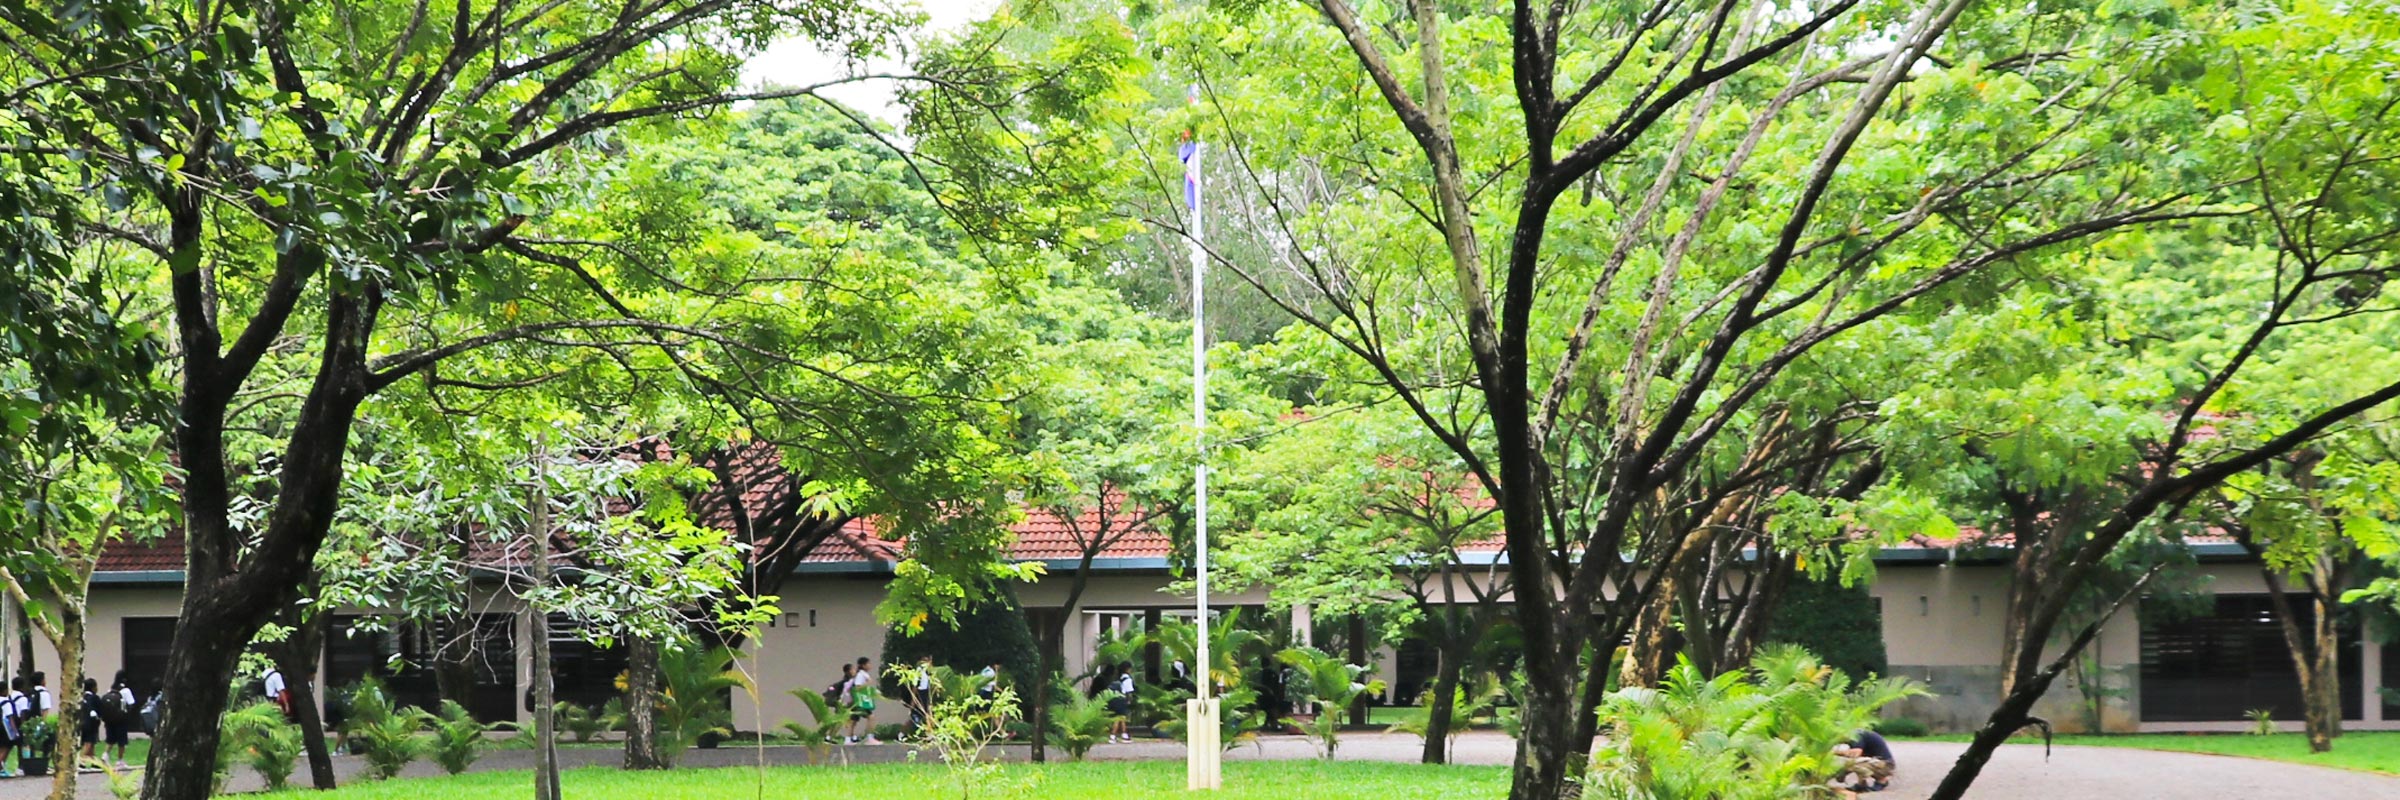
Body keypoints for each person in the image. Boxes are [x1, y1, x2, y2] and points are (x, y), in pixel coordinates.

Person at [1832, 728, 1896, 794]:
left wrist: (1832, 753)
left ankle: (1882, 780)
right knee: (1857, 762)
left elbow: (1856, 753)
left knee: (1854, 764)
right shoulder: (1855, 735)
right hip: (1879, 762)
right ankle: (1861, 784)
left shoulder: (1856, 736)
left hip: (1885, 765)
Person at [103, 673, 135, 769]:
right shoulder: (126, 690)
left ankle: (105, 755)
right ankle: (120, 760)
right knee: (122, 741)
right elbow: (131, 703)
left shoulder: (111, 690)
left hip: (109, 719)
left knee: (111, 739)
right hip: (121, 719)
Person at [845, 657, 879, 745]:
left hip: (858, 701)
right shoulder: (861, 675)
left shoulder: (861, 674)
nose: (870, 665)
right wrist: (867, 683)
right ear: (863, 665)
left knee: (853, 720)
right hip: (860, 702)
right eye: (868, 664)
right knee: (871, 717)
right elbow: (857, 687)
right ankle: (870, 738)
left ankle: (848, 740)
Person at [1, 676, 25, 778]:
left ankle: (2, 768)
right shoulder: (6, 702)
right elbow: (10, 718)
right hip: (3, 728)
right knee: (6, 747)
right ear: (5, 690)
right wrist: (15, 732)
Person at [1105, 665, 1135, 744]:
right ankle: (1113, 736)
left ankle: (1124, 735)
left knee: (1121, 718)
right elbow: (1129, 692)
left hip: (1115, 699)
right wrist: (1129, 701)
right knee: (1119, 718)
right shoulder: (1128, 679)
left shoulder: (1119, 678)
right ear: (1127, 669)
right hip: (1122, 700)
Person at [78, 678, 102, 766]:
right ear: (93, 687)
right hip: (92, 724)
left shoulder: (81, 697)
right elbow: (100, 710)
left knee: (91, 743)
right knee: (88, 743)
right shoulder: (95, 698)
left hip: (82, 723)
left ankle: (93, 761)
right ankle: (81, 760)